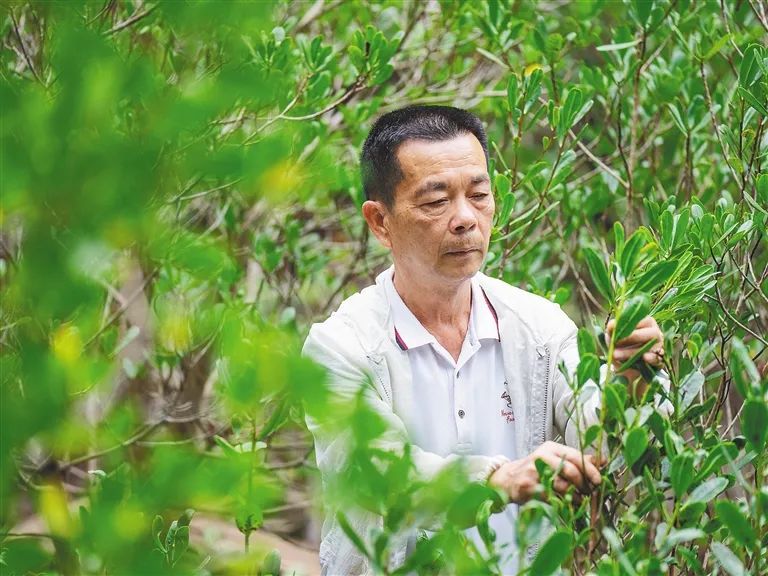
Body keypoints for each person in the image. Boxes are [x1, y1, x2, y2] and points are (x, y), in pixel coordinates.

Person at [303, 105, 666, 574]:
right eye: (435, 201)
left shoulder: (539, 328)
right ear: (380, 222)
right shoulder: (339, 347)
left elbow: (600, 447)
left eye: (478, 194)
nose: (464, 219)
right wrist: (500, 479)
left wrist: (631, 384)